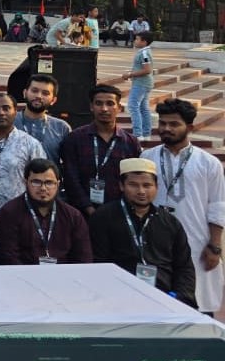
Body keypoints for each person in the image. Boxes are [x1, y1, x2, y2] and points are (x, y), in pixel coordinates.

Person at [141, 99, 225, 315]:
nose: (166, 128)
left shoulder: (208, 163)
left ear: (190, 127)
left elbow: (218, 205)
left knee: (198, 300)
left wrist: (215, 246)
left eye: (174, 124)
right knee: (156, 301)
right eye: (163, 123)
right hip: (156, 239)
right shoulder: (147, 158)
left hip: (196, 239)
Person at [89, 158, 196, 305]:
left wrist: (178, 298)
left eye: (147, 185)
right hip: (117, 299)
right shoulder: (103, 217)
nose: (141, 191)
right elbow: (98, 263)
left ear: (156, 187)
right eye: (133, 185)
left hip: (164, 298)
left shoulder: (170, 223)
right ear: (121, 186)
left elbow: (184, 267)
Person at [60, 84, 142, 216]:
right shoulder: (74, 138)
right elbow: (70, 177)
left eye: (110, 103)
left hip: (119, 213)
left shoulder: (130, 142)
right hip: (80, 213)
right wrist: (88, 208)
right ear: (91, 106)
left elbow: (133, 179)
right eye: (99, 103)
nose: (104, 109)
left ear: (119, 108)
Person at [0, 159, 93, 265]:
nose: (43, 188)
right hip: (22, 273)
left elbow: (83, 258)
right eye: (36, 182)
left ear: (58, 184)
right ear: (25, 182)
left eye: (49, 183)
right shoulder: (9, 214)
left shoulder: (73, 216)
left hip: (64, 274)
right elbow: (9, 259)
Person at [0, 93, 45, 227]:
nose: (1, 113)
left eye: (6, 108)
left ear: (15, 111)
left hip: (16, 216)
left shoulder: (30, 144)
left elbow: (40, 179)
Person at [14, 74, 72, 163]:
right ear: (25, 93)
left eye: (45, 93)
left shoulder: (61, 128)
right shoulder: (10, 122)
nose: (39, 96)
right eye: (34, 91)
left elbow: (69, 162)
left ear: (53, 100)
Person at [122, 31, 155, 138]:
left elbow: (147, 69)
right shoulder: (144, 52)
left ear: (144, 42)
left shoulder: (144, 53)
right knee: (144, 108)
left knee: (133, 106)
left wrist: (130, 74)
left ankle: (137, 134)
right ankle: (146, 134)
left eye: (137, 39)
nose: (135, 41)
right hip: (144, 83)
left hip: (141, 84)